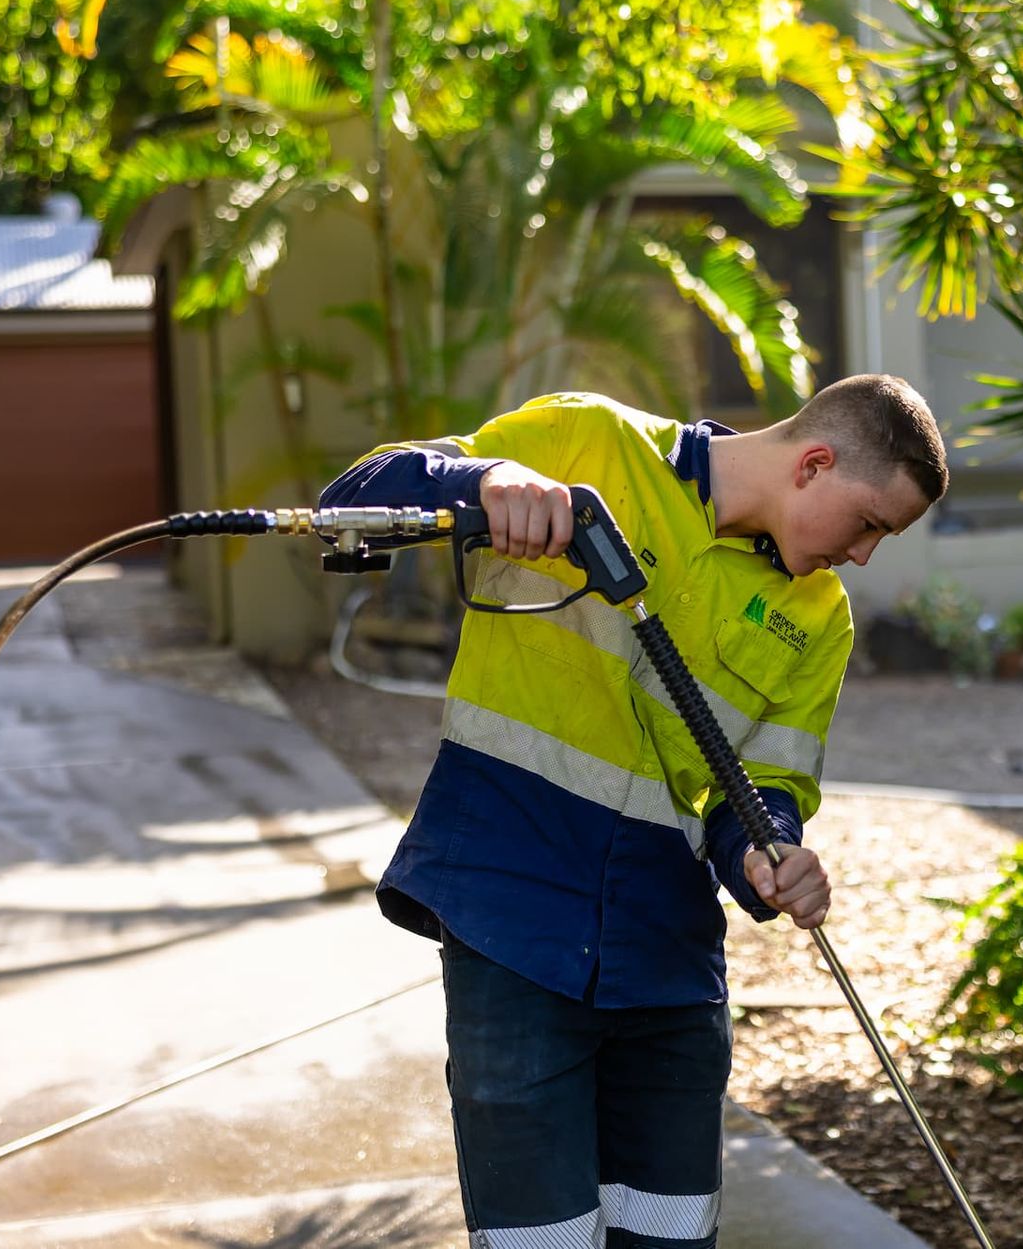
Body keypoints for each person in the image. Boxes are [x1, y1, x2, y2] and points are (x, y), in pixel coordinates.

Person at [318, 373, 948, 1248]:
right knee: (542, 1240)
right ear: (813, 464)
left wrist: (772, 854)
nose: (866, 554)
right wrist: (485, 483)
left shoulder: (820, 618)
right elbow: (352, 499)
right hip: (513, 931)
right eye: (871, 523)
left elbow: (758, 789)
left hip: (667, 968)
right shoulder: (592, 443)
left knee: (670, 1233)